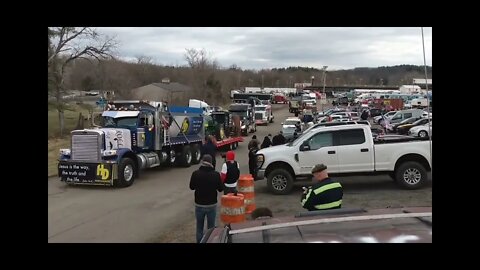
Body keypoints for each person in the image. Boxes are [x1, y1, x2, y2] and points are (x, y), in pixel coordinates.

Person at [189, 154, 223, 243]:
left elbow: (191, 187)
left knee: (199, 227)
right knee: (211, 228)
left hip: (199, 204)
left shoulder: (195, 173)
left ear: (202, 162)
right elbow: (220, 189)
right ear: (211, 163)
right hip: (211, 204)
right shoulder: (216, 174)